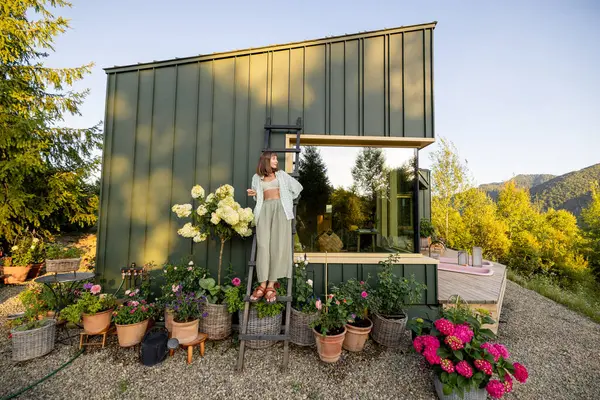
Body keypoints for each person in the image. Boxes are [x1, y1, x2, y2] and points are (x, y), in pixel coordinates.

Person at [247, 151, 303, 303]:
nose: (276, 161)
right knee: (263, 246)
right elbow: (258, 197)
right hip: (264, 210)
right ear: (266, 160)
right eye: (273, 158)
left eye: (276, 158)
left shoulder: (282, 175)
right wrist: (255, 193)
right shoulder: (256, 178)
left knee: (277, 246)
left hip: (281, 210)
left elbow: (297, 187)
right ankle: (262, 283)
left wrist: (286, 197)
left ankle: (271, 284)